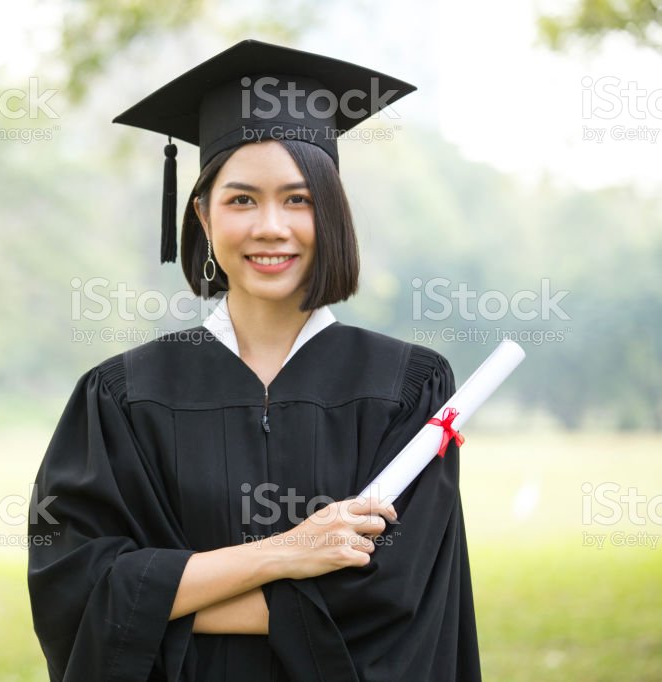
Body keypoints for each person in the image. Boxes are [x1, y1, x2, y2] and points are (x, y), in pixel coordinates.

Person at [27, 39, 481, 682]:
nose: (271, 226)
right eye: (241, 199)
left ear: (332, 215)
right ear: (203, 217)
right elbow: (77, 588)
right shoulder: (121, 396)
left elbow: (398, 599)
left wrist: (168, 598)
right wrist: (287, 553)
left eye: (298, 199)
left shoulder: (407, 390)